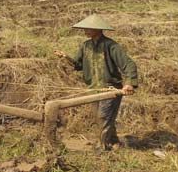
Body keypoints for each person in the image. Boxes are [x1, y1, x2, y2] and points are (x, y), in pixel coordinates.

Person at [54, 14, 138, 150]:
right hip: (93, 88)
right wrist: (66, 57)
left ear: (98, 29)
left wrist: (129, 83)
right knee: (101, 118)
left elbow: (129, 64)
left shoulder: (111, 46)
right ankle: (114, 142)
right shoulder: (85, 46)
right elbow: (78, 64)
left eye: (88, 28)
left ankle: (103, 146)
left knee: (103, 117)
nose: (85, 31)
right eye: (85, 29)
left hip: (110, 89)